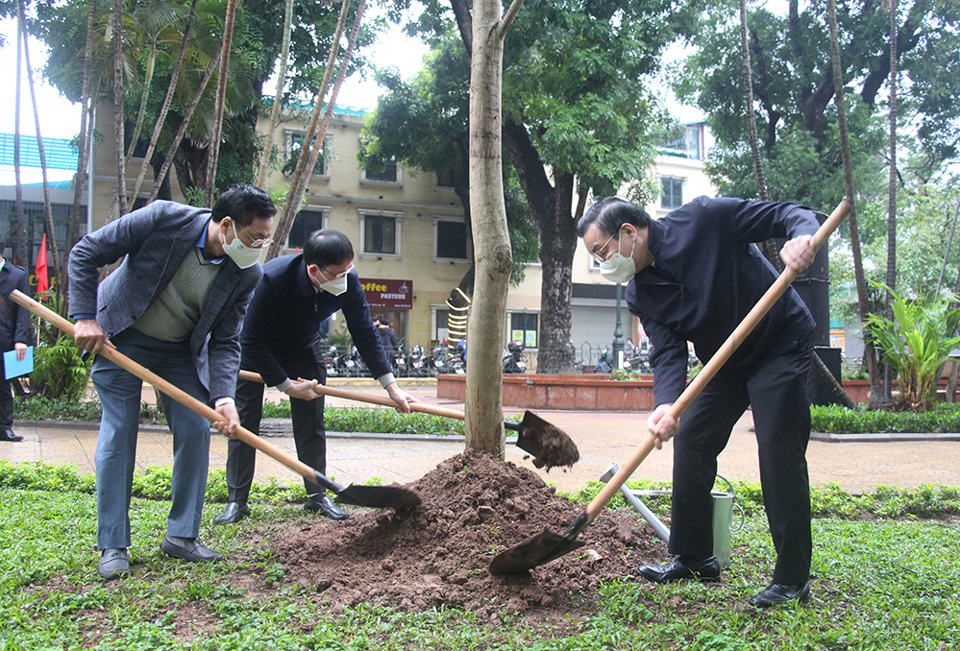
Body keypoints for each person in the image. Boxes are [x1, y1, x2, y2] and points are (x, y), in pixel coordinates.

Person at [577, 195, 818, 608]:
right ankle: (694, 558)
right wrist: (665, 405)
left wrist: (802, 238)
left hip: (780, 343)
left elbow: (789, 213)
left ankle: (793, 579)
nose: (603, 264)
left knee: (778, 451)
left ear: (630, 233)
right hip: (724, 363)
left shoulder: (705, 220)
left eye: (602, 252)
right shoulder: (641, 293)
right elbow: (667, 352)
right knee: (691, 440)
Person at [68, 184, 276, 581]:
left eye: (265, 239)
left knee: (196, 427)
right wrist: (84, 317)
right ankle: (113, 543)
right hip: (121, 336)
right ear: (227, 225)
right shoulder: (164, 219)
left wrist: (224, 397)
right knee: (119, 430)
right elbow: (86, 252)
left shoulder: (247, 271)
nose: (259, 246)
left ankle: (181, 536)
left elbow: (226, 340)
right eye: (254, 238)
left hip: (181, 350)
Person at [214, 229, 416, 525]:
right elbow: (251, 341)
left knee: (311, 424)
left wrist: (391, 386)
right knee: (244, 424)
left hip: (302, 348)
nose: (345, 277)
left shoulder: (347, 281)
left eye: (349, 269)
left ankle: (317, 495)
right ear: (313, 270)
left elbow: (364, 332)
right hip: (257, 351)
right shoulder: (271, 279)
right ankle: (237, 500)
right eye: (338, 272)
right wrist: (284, 385)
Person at [0, 237, 30, 442]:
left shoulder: (16, 275)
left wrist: (20, 339)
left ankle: (4, 428)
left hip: (5, 339)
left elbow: (23, 311)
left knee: (3, 385)